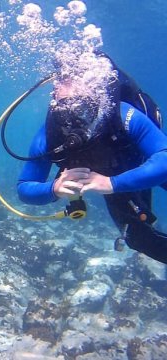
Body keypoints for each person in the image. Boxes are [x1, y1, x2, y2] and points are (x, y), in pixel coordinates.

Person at [17, 55, 167, 264]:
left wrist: (111, 183)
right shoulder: (49, 135)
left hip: (136, 164)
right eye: (60, 82)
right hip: (113, 179)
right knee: (139, 239)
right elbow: (24, 188)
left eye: (72, 80)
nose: (62, 87)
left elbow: (164, 159)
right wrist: (54, 189)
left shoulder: (122, 114)